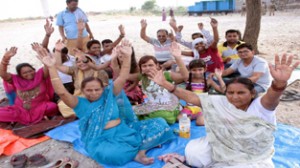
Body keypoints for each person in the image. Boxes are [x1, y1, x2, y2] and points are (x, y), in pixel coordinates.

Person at [36, 40, 174, 166]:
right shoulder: (79, 103)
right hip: (101, 138)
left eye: (97, 89)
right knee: (110, 155)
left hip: (124, 130)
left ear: (103, 88)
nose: (93, 93)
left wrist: (126, 57)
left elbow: (123, 76)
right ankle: (138, 150)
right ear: (82, 91)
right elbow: (61, 92)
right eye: (89, 90)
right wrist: (51, 67)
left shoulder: (109, 94)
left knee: (161, 124)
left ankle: (141, 151)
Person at [149, 54, 299, 167]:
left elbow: (272, 98)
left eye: (241, 93)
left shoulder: (261, 106)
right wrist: (166, 84)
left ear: (252, 94)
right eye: (230, 92)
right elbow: (194, 98)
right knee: (193, 153)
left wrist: (279, 83)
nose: (235, 97)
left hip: (252, 153)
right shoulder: (221, 102)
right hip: (222, 146)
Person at [0, 47, 58, 125]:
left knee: (53, 106)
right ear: (20, 75)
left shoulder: (41, 75)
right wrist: (5, 59)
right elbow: (2, 74)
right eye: (25, 73)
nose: (29, 74)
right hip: (20, 110)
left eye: (30, 71)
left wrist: (44, 57)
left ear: (34, 70)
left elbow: (48, 66)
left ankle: (17, 119)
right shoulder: (15, 79)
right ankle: (19, 118)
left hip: (40, 107)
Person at [133, 42, 188, 124]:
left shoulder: (165, 75)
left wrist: (178, 58)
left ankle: (173, 115)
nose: (148, 68)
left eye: (151, 65)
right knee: (128, 112)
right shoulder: (141, 76)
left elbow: (185, 77)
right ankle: (150, 116)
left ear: (157, 65)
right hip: (152, 106)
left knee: (162, 117)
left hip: (168, 106)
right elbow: (121, 76)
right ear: (141, 68)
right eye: (144, 66)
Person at [53, 40, 109, 118]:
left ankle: (84, 113)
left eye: (84, 61)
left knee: (94, 105)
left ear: (91, 61)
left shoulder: (100, 72)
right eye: (78, 62)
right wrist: (58, 51)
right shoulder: (75, 70)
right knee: (62, 105)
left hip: (95, 98)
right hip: (79, 98)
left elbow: (104, 91)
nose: (81, 63)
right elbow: (58, 66)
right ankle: (82, 114)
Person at [180, 59, 226, 126]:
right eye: (194, 70)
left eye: (200, 69)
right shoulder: (187, 80)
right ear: (190, 70)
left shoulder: (208, 81)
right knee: (179, 119)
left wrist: (219, 77)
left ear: (204, 69)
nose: (197, 72)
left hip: (203, 108)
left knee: (200, 122)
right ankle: (191, 117)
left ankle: (196, 117)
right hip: (189, 108)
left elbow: (222, 90)